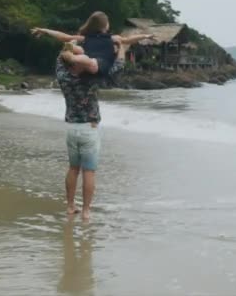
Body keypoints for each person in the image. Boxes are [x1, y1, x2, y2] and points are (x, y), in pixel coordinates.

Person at [33, 12, 152, 220]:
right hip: (90, 128)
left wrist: (59, 41)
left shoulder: (63, 76)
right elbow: (117, 68)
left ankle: (70, 207)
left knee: (73, 168)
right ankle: (86, 212)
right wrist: (123, 50)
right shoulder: (92, 80)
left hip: (71, 129)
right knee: (89, 172)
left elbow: (63, 47)